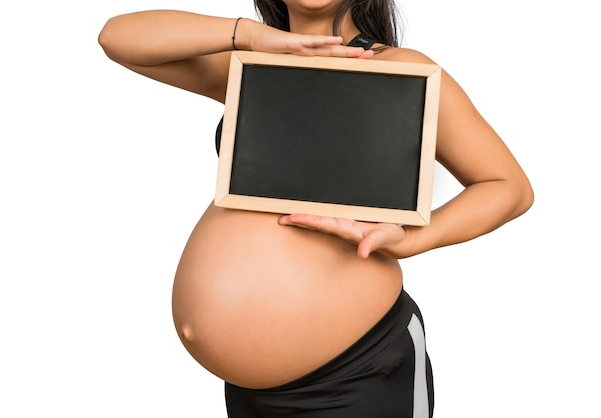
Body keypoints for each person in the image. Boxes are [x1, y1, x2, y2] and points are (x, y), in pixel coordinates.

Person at [98, 1, 534, 417]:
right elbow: (116, 37)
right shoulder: (250, 67)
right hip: (253, 391)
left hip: (358, 375)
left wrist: (415, 239)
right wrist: (252, 37)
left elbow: (508, 187)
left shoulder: (400, 69)